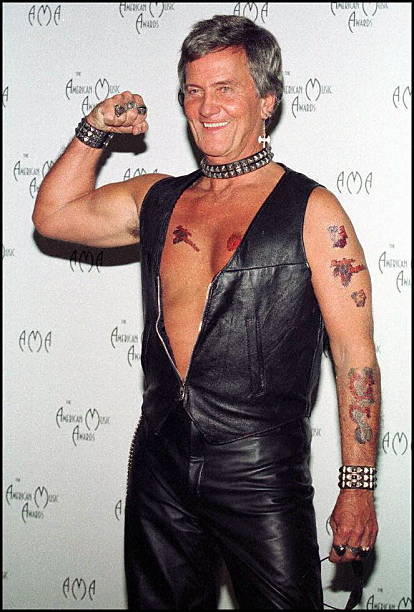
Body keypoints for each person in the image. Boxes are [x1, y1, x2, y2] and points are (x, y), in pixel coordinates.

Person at [33, 14, 380, 610]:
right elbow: (53, 216)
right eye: (193, 90)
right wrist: (93, 130)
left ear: (266, 100)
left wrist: (357, 488)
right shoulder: (157, 197)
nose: (206, 106)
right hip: (160, 462)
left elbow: (355, 357)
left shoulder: (312, 209)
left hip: (259, 470)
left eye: (225, 88)